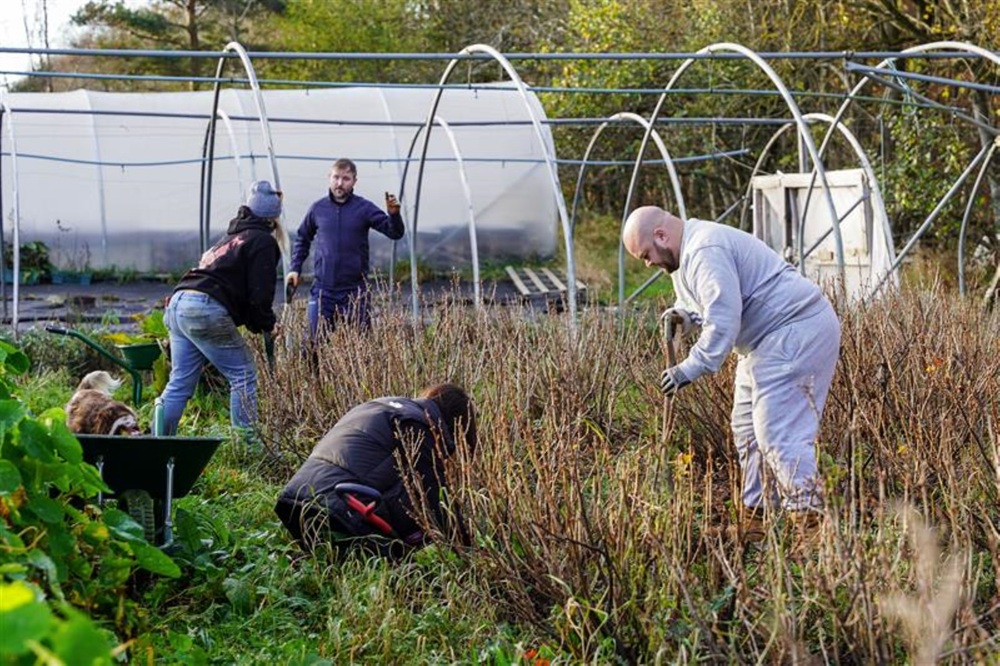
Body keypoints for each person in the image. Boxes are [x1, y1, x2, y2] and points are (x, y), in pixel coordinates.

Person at [622, 206, 841, 544]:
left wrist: (688, 369)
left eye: (646, 255)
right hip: (763, 341)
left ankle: (813, 528)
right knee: (747, 431)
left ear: (661, 235)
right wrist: (683, 314)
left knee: (777, 433)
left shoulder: (706, 248)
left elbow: (723, 321)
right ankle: (755, 521)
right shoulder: (685, 257)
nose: (648, 263)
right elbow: (705, 303)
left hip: (795, 329)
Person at [274, 383, 477, 557]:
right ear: (456, 424)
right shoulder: (419, 426)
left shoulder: (383, 405)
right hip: (339, 509)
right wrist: (470, 548)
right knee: (405, 558)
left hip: (296, 502)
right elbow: (435, 501)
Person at [159, 180, 283, 441]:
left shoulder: (232, 237)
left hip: (179, 302)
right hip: (204, 308)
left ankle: (158, 443)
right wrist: (265, 324)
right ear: (273, 218)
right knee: (244, 375)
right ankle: (247, 445)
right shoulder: (262, 241)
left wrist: (258, 322)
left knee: (179, 383)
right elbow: (260, 296)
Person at [286, 158, 404, 335]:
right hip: (323, 290)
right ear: (329, 178)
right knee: (312, 347)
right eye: (336, 177)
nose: (339, 183)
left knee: (360, 348)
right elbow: (302, 238)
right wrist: (294, 268)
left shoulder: (364, 208)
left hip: (355, 292)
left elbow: (394, 232)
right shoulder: (318, 209)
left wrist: (394, 215)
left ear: (354, 181)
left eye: (346, 179)